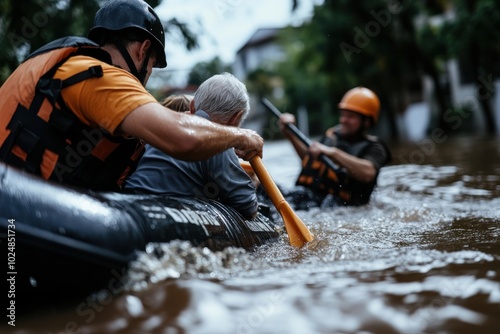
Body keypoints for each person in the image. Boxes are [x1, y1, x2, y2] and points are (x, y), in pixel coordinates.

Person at [0, 0, 262, 192]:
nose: (146, 77)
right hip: (17, 211)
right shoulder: (101, 78)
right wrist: (241, 136)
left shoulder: (67, 68)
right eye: (151, 66)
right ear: (143, 50)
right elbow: (184, 137)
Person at [124, 73, 258, 219]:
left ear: (192, 106)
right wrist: (254, 185)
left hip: (129, 203)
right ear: (235, 118)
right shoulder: (220, 140)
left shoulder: (163, 128)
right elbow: (247, 206)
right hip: (161, 215)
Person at [279, 87, 391, 207]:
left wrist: (333, 153)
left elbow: (368, 173)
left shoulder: (376, 147)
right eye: (343, 115)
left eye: (350, 116)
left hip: (338, 206)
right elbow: (308, 157)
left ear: (367, 121)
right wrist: (290, 135)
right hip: (306, 196)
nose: (343, 120)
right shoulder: (331, 136)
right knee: (263, 187)